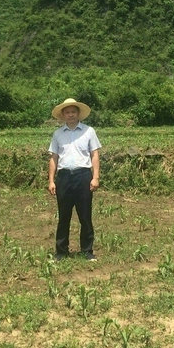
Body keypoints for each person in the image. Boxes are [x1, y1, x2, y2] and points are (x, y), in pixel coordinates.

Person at [47, 98, 101, 261]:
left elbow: (95, 155)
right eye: (67, 112)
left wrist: (95, 177)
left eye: (73, 112)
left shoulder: (89, 131)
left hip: (83, 176)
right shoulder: (57, 134)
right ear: (63, 115)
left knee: (85, 215)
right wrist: (51, 180)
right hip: (63, 178)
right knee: (64, 216)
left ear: (78, 114)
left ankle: (87, 251)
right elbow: (53, 158)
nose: (70, 115)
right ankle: (61, 252)